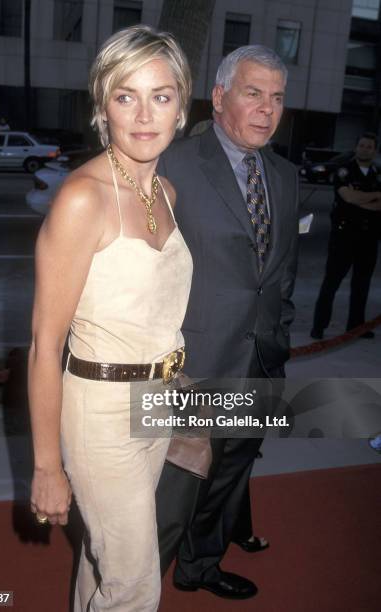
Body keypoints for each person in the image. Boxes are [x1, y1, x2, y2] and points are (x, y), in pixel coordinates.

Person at [28, 25, 192, 612]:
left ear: (181, 106)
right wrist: (48, 466)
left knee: (107, 565)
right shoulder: (83, 199)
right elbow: (45, 346)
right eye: (126, 96)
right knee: (136, 583)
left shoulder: (167, 193)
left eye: (161, 95)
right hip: (100, 414)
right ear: (103, 107)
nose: (144, 114)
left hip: (160, 402)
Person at [157, 45, 299, 599]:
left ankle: (199, 568)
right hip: (193, 366)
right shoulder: (174, 163)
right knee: (170, 487)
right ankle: (136, 585)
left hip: (260, 360)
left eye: (277, 97)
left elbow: (282, 273)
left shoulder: (285, 177)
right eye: (253, 92)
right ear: (219, 97)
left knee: (229, 477)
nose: (267, 109)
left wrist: (279, 338)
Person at [311, 133, 381, 340]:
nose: (365, 149)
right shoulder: (344, 170)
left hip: (369, 238)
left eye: (369, 147)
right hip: (344, 237)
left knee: (362, 284)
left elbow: (366, 202)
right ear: (356, 148)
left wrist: (360, 200)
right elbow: (348, 197)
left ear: (374, 151)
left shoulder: (378, 173)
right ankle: (319, 326)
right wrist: (375, 196)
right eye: (362, 145)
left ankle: (356, 327)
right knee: (331, 282)